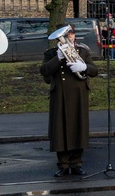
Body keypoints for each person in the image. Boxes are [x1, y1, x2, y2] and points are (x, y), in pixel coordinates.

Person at [40, 24, 98, 176]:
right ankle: (63, 164)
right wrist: (58, 58)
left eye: (70, 34)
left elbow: (95, 70)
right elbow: (44, 72)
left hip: (78, 95)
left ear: (74, 35)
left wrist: (84, 67)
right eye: (65, 34)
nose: (68, 37)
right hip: (59, 95)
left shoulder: (83, 51)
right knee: (60, 130)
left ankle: (77, 163)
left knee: (78, 128)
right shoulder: (51, 53)